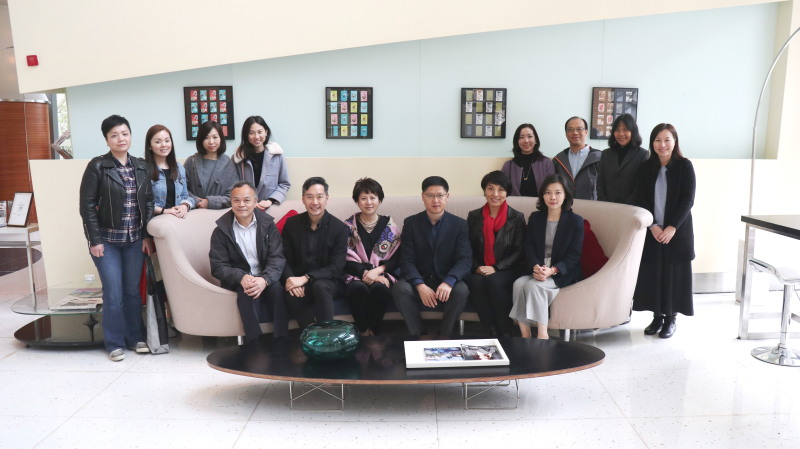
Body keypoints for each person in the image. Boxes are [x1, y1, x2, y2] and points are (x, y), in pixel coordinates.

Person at [79, 115, 154, 361]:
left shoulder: (141, 166)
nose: (121, 139)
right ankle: (114, 343)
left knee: (132, 292)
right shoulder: (98, 166)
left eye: (124, 133)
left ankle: (135, 337)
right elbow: (86, 205)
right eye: (114, 135)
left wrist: (146, 236)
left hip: (135, 240)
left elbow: (149, 202)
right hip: (107, 241)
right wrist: (94, 240)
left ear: (130, 135)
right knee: (113, 292)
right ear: (107, 140)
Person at [632, 124, 695, 339]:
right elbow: (641, 198)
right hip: (653, 231)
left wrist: (671, 227)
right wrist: (653, 226)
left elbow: (688, 200)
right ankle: (657, 317)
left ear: (675, 142)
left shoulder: (685, 166)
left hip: (676, 232)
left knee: (673, 275)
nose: (662, 145)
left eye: (667, 140)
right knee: (654, 275)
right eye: (658, 140)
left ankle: (671, 319)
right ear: (652, 143)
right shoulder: (645, 168)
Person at [209, 181, 287, 343]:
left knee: (277, 291)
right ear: (231, 202)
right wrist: (242, 277)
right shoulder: (221, 231)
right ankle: (253, 344)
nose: (241, 205)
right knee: (248, 293)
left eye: (246, 200)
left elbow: (277, 257)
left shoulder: (267, 225)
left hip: (266, 276)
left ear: (255, 201)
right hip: (239, 280)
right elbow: (218, 266)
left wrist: (265, 279)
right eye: (236, 200)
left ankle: (282, 341)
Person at [392, 176, 471, 336]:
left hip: (447, 278)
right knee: (400, 289)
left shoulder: (460, 224)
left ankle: (444, 334)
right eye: (430, 195)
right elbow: (406, 259)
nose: (435, 200)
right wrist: (419, 285)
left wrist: (448, 282)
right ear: (423, 197)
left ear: (447, 197)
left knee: (461, 291)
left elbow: (465, 259)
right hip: (420, 277)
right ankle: (420, 334)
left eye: (440, 195)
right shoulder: (411, 223)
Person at [510, 174, 584, 339]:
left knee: (534, 286)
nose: (553, 197)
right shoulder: (536, 218)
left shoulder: (576, 221)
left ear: (565, 195)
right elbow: (529, 246)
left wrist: (553, 270)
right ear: (542, 195)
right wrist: (536, 266)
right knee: (518, 284)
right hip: (539, 267)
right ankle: (525, 335)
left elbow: (574, 255)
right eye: (548, 192)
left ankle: (542, 335)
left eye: (558, 192)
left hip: (562, 271)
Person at [280, 177, 348, 330]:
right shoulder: (292, 224)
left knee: (320, 286)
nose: (315, 202)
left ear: (327, 198)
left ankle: (327, 333)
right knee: (291, 294)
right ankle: (311, 333)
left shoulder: (338, 228)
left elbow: (336, 267)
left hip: (329, 282)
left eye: (319, 197)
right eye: (310, 197)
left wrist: (305, 278)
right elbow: (284, 258)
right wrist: (291, 280)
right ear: (303, 199)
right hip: (300, 280)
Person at [466, 171, 526, 336]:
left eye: (501, 189)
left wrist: (496, 268)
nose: (495, 194)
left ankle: (505, 330)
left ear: (507, 193)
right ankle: (489, 329)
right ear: (485, 191)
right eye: (490, 188)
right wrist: (477, 267)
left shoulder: (517, 218)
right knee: (476, 281)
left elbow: (519, 250)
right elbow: (466, 247)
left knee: (494, 281)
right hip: (480, 267)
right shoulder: (474, 216)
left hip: (508, 268)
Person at [343, 178, 401, 336]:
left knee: (380, 289)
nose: (368, 202)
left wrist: (378, 271)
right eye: (363, 198)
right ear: (357, 201)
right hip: (355, 275)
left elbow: (398, 258)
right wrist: (366, 273)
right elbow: (343, 260)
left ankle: (375, 331)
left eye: (373, 197)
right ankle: (362, 330)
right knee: (358, 289)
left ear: (379, 200)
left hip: (383, 274)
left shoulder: (390, 227)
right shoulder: (348, 227)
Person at [232, 116, 290, 210]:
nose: (256, 136)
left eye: (260, 132)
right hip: (245, 208)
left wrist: (270, 201)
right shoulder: (239, 158)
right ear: (246, 134)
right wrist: (249, 202)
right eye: (251, 133)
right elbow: (234, 186)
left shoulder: (277, 155)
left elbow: (284, 184)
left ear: (266, 132)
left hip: (270, 208)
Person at [184, 120, 239, 210]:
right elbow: (182, 189)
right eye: (206, 138)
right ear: (201, 140)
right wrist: (196, 201)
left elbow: (234, 195)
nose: (211, 142)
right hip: (194, 212)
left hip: (220, 213)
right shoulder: (191, 162)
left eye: (215, 137)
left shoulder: (228, 164)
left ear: (221, 138)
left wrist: (210, 202)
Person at [144, 124, 195, 220]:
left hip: (175, 220)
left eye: (167, 141)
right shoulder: (143, 169)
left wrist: (185, 205)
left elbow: (185, 196)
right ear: (149, 146)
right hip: (154, 221)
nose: (164, 145)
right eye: (158, 142)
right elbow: (142, 202)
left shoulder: (179, 168)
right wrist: (164, 211)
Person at [596, 114, 649, 204]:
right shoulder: (606, 154)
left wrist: (626, 206)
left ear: (633, 131)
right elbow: (600, 183)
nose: (621, 134)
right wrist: (606, 204)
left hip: (632, 207)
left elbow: (640, 186)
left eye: (625, 129)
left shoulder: (642, 154)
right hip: (607, 207)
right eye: (617, 130)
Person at [552, 116, 602, 200]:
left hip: (592, 205)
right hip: (565, 205)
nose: (575, 133)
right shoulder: (558, 160)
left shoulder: (599, 158)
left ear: (586, 132)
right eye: (570, 129)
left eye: (579, 129)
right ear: (566, 134)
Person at [501, 123, 555, 196]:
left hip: (541, 203)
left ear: (535, 139)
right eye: (521, 137)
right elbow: (502, 189)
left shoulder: (546, 163)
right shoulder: (508, 166)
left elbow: (552, 188)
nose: (526, 141)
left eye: (529, 136)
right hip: (514, 203)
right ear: (517, 141)